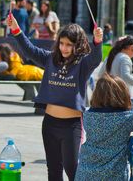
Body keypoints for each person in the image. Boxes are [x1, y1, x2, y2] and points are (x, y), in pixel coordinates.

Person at [7, 13, 103, 180]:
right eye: (62, 43)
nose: (64, 48)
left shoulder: (83, 64)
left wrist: (97, 41)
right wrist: (16, 29)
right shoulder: (50, 59)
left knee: (72, 169)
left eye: (69, 45)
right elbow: (29, 50)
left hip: (72, 126)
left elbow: (95, 58)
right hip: (49, 123)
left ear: (78, 45)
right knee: (53, 170)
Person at [75, 74, 133, 180]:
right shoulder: (126, 119)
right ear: (122, 95)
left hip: (85, 173)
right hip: (113, 175)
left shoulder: (87, 115)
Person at [98, 35, 133, 107]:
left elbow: (101, 74)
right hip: (124, 97)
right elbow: (125, 76)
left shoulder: (110, 57)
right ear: (131, 47)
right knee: (126, 118)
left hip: (109, 96)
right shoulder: (125, 58)